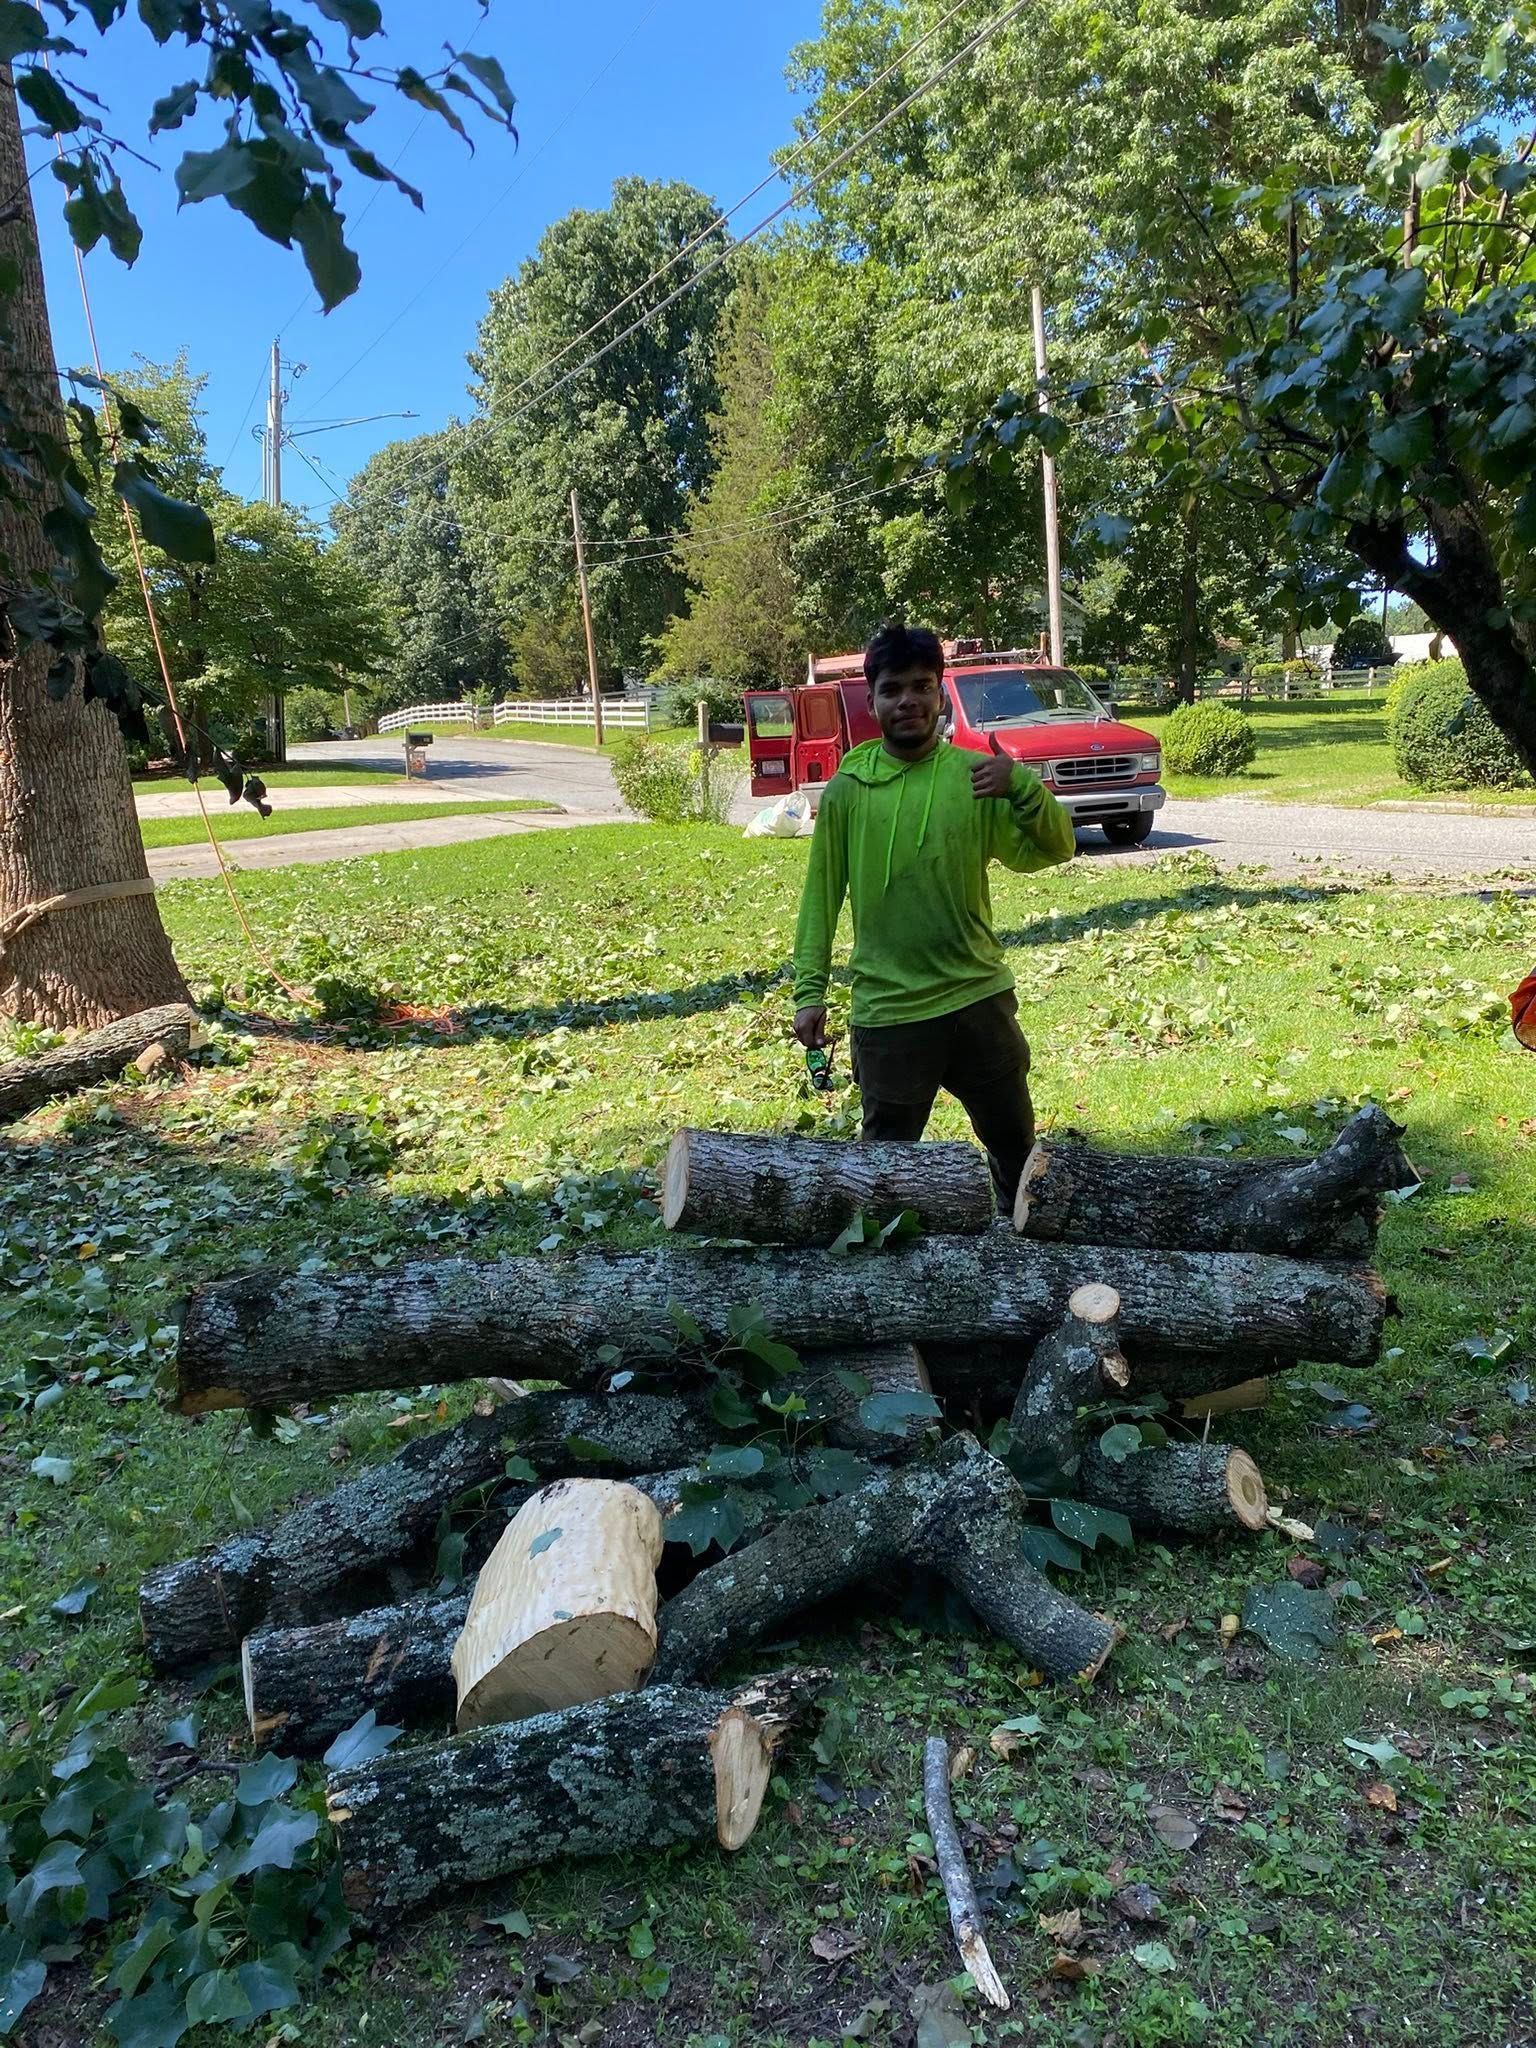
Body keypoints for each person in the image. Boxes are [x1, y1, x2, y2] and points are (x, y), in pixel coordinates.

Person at [791, 622, 1075, 1209]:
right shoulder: (848, 789)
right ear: (871, 701)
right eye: (893, 689)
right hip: (890, 1013)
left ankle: (1020, 1258)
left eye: (923, 686)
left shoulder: (975, 779)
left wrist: (1022, 787)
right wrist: (808, 991)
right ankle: (891, 1288)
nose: (909, 701)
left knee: (1017, 1152)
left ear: (941, 693)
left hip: (978, 1001)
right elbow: (821, 895)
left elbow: (1055, 848)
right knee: (885, 1174)